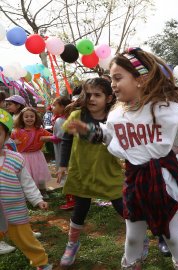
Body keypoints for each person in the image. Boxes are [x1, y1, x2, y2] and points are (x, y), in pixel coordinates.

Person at [66, 47, 178, 269]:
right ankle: (131, 264)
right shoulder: (117, 113)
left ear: (141, 80)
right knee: (133, 236)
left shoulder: (164, 108)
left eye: (118, 78)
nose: (113, 84)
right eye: (111, 79)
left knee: (172, 235)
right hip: (135, 180)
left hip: (163, 181)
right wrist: (88, 130)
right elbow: (108, 134)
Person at [56, 78, 125, 267]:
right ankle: (72, 244)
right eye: (88, 94)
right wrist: (62, 164)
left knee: (123, 207)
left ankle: (138, 238)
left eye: (98, 95)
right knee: (80, 209)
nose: (91, 99)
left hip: (108, 171)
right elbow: (67, 140)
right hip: (82, 170)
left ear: (109, 97)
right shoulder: (76, 115)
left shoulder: (115, 118)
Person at [0, 108, 52, 270]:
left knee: (26, 239)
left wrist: (37, 199)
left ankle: (40, 262)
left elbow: (27, 182)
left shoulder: (15, 159)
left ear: (7, 137)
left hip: (14, 210)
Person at [10, 108, 52, 198]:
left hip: (37, 156)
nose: (29, 118)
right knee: (25, 176)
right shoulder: (16, 131)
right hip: (23, 157)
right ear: (22, 118)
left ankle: (43, 191)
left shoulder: (40, 130)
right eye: (26, 117)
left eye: (32, 116)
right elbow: (7, 141)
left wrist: (47, 138)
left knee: (40, 174)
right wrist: (14, 142)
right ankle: (27, 194)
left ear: (36, 118)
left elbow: (52, 137)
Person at [47, 96, 73, 210]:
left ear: (62, 107)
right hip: (69, 151)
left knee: (65, 175)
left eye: (55, 105)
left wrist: (45, 138)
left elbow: (59, 138)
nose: (52, 107)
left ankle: (71, 201)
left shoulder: (60, 120)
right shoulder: (68, 118)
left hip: (62, 151)